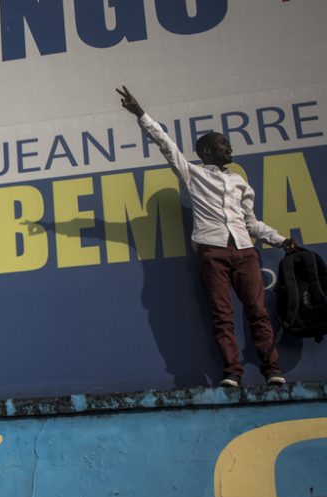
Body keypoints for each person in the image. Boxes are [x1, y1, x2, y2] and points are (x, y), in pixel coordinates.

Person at [117, 86, 300, 388]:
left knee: (257, 311)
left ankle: (272, 370)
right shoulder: (193, 175)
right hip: (213, 253)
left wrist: (281, 240)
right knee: (222, 314)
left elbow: (251, 223)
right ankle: (233, 373)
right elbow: (165, 144)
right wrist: (141, 114)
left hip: (244, 251)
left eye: (227, 145)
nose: (229, 149)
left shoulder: (239, 182)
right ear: (206, 152)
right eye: (222, 145)